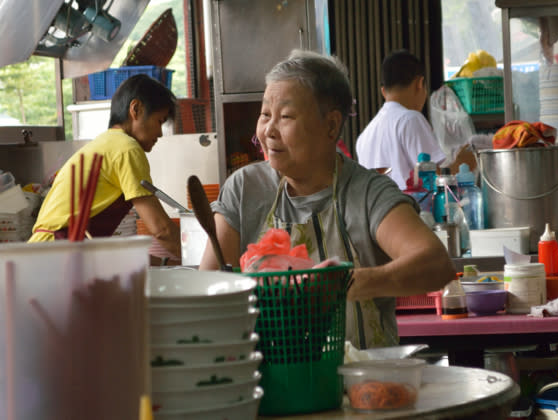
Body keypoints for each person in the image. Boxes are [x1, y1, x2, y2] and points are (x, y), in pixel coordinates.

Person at [198, 49, 454, 349]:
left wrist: (344, 284)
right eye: (266, 114)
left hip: (362, 385)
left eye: (285, 117)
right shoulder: (245, 189)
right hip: (265, 383)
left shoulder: (367, 192)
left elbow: (436, 265)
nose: (268, 130)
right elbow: (206, 288)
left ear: (331, 125)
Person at [29, 74, 181, 258]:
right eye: (159, 121)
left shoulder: (106, 143)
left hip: (47, 251)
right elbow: (162, 230)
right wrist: (202, 263)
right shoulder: (127, 148)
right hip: (56, 254)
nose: (159, 134)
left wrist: (159, 263)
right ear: (136, 109)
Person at [356, 49, 445, 190]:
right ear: (419, 83)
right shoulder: (411, 119)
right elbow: (436, 180)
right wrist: (464, 161)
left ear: (383, 92)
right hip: (411, 210)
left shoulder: (363, 137)